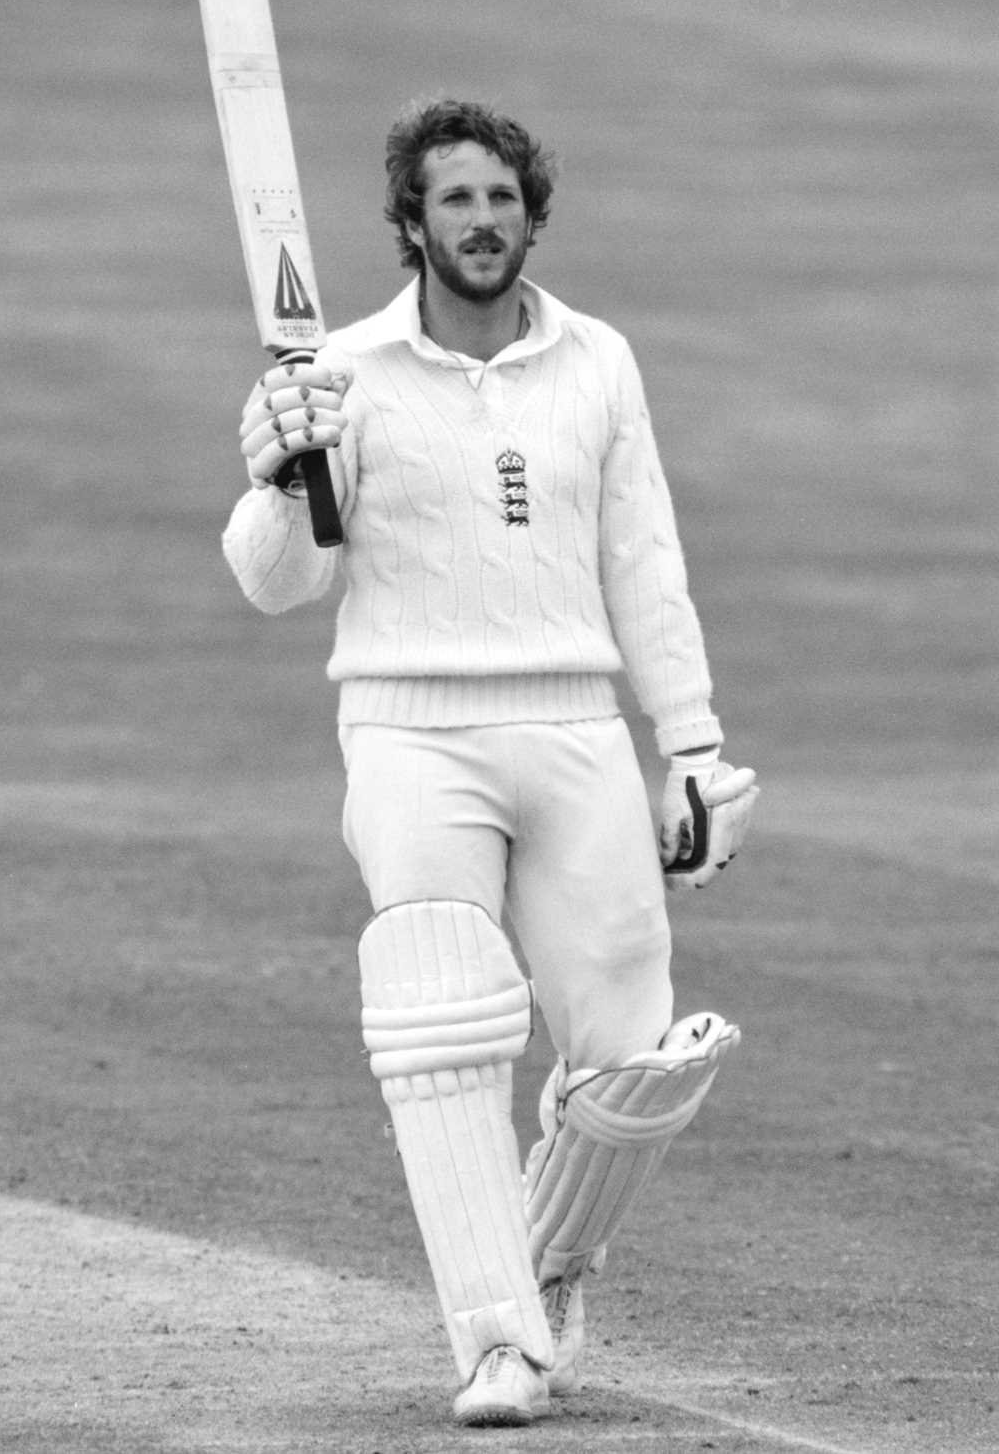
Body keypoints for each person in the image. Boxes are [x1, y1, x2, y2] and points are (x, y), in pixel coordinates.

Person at [222, 98, 759, 1428]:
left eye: (502, 199)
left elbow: (644, 565)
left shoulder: (598, 362)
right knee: (440, 1011)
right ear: (411, 222)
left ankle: (547, 1263)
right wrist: (287, 477)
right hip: (409, 731)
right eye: (455, 200)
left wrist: (690, 745)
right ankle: (496, 1341)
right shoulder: (336, 371)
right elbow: (275, 584)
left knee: (635, 1057)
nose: (483, 222)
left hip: (574, 723)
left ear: (532, 213)